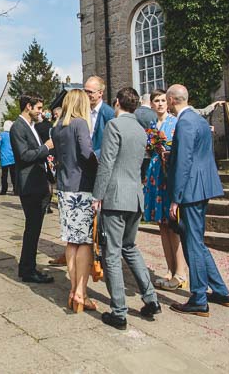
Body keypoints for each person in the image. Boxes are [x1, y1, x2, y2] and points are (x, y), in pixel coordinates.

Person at [93, 87, 161, 330]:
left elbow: (107, 162)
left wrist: (97, 195)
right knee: (130, 247)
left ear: (118, 102)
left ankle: (119, 311)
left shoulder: (114, 125)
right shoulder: (141, 131)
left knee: (111, 253)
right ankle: (151, 298)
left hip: (115, 196)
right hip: (135, 196)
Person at [166, 84, 229, 316]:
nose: (166, 104)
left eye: (166, 100)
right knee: (197, 240)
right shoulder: (198, 120)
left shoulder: (184, 123)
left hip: (190, 190)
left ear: (173, 100)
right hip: (203, 186)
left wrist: (176, 198)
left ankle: (198, 297)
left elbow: (184, 161)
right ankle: (221, 291)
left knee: (192, 243)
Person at [50, 89, 97, 312]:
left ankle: (72, 290)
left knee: (71, 241)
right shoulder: (80, 124)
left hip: (64, 188)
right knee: (85, 242)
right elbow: (87, 153)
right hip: (82, 187)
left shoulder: (57, 127)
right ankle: (81, 292)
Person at [143, 88, 188, 291]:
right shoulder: (152, 125)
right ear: (151, 104)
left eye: (163, 100)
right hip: (154, 174)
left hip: (168, 175)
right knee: (161, 225)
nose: (160, 104)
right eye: (156, 101)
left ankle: (180, 272)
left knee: (173, 225)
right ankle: (169, 270)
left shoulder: (175, 122)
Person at [10, 94, 55, 284]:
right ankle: (28, 270)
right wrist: (45, 148)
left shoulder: (31, 126)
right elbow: (23, 155)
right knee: (32, 229)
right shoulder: (17, 127)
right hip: (29, 184)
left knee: (34, 229)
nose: (41, 112)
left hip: (38, 182)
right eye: (38, 108)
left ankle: (27, 267)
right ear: (28, 107)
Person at [84, 76, 115, 156]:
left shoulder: (109, 114)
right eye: (85, 91)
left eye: (90, 92)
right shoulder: (83, 111)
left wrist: (95, 155)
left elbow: (113, 142)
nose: (87, 95)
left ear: (100, 93)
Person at [0, 121, 16, 195]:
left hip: (4, 157)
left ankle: (4, 190)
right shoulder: (13, 135)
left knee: (4, 175)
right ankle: (16, 189)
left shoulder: (1, 135)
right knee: (14, 175)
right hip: (13, 158)